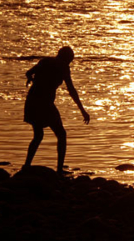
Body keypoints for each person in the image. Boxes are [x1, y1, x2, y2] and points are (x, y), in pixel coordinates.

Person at [23, 46, 90, 174]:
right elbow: (71, 89)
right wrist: (82, 110)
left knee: (38, 136)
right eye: (70, 59)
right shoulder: (63, 66)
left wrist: (31, 80)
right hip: (45, 104)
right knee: (61, 135)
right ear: (67, 58)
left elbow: (28, 72)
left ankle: (27, 165)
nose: (70, 62)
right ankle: (59, 169)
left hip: (32, 100)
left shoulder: (45, 61)